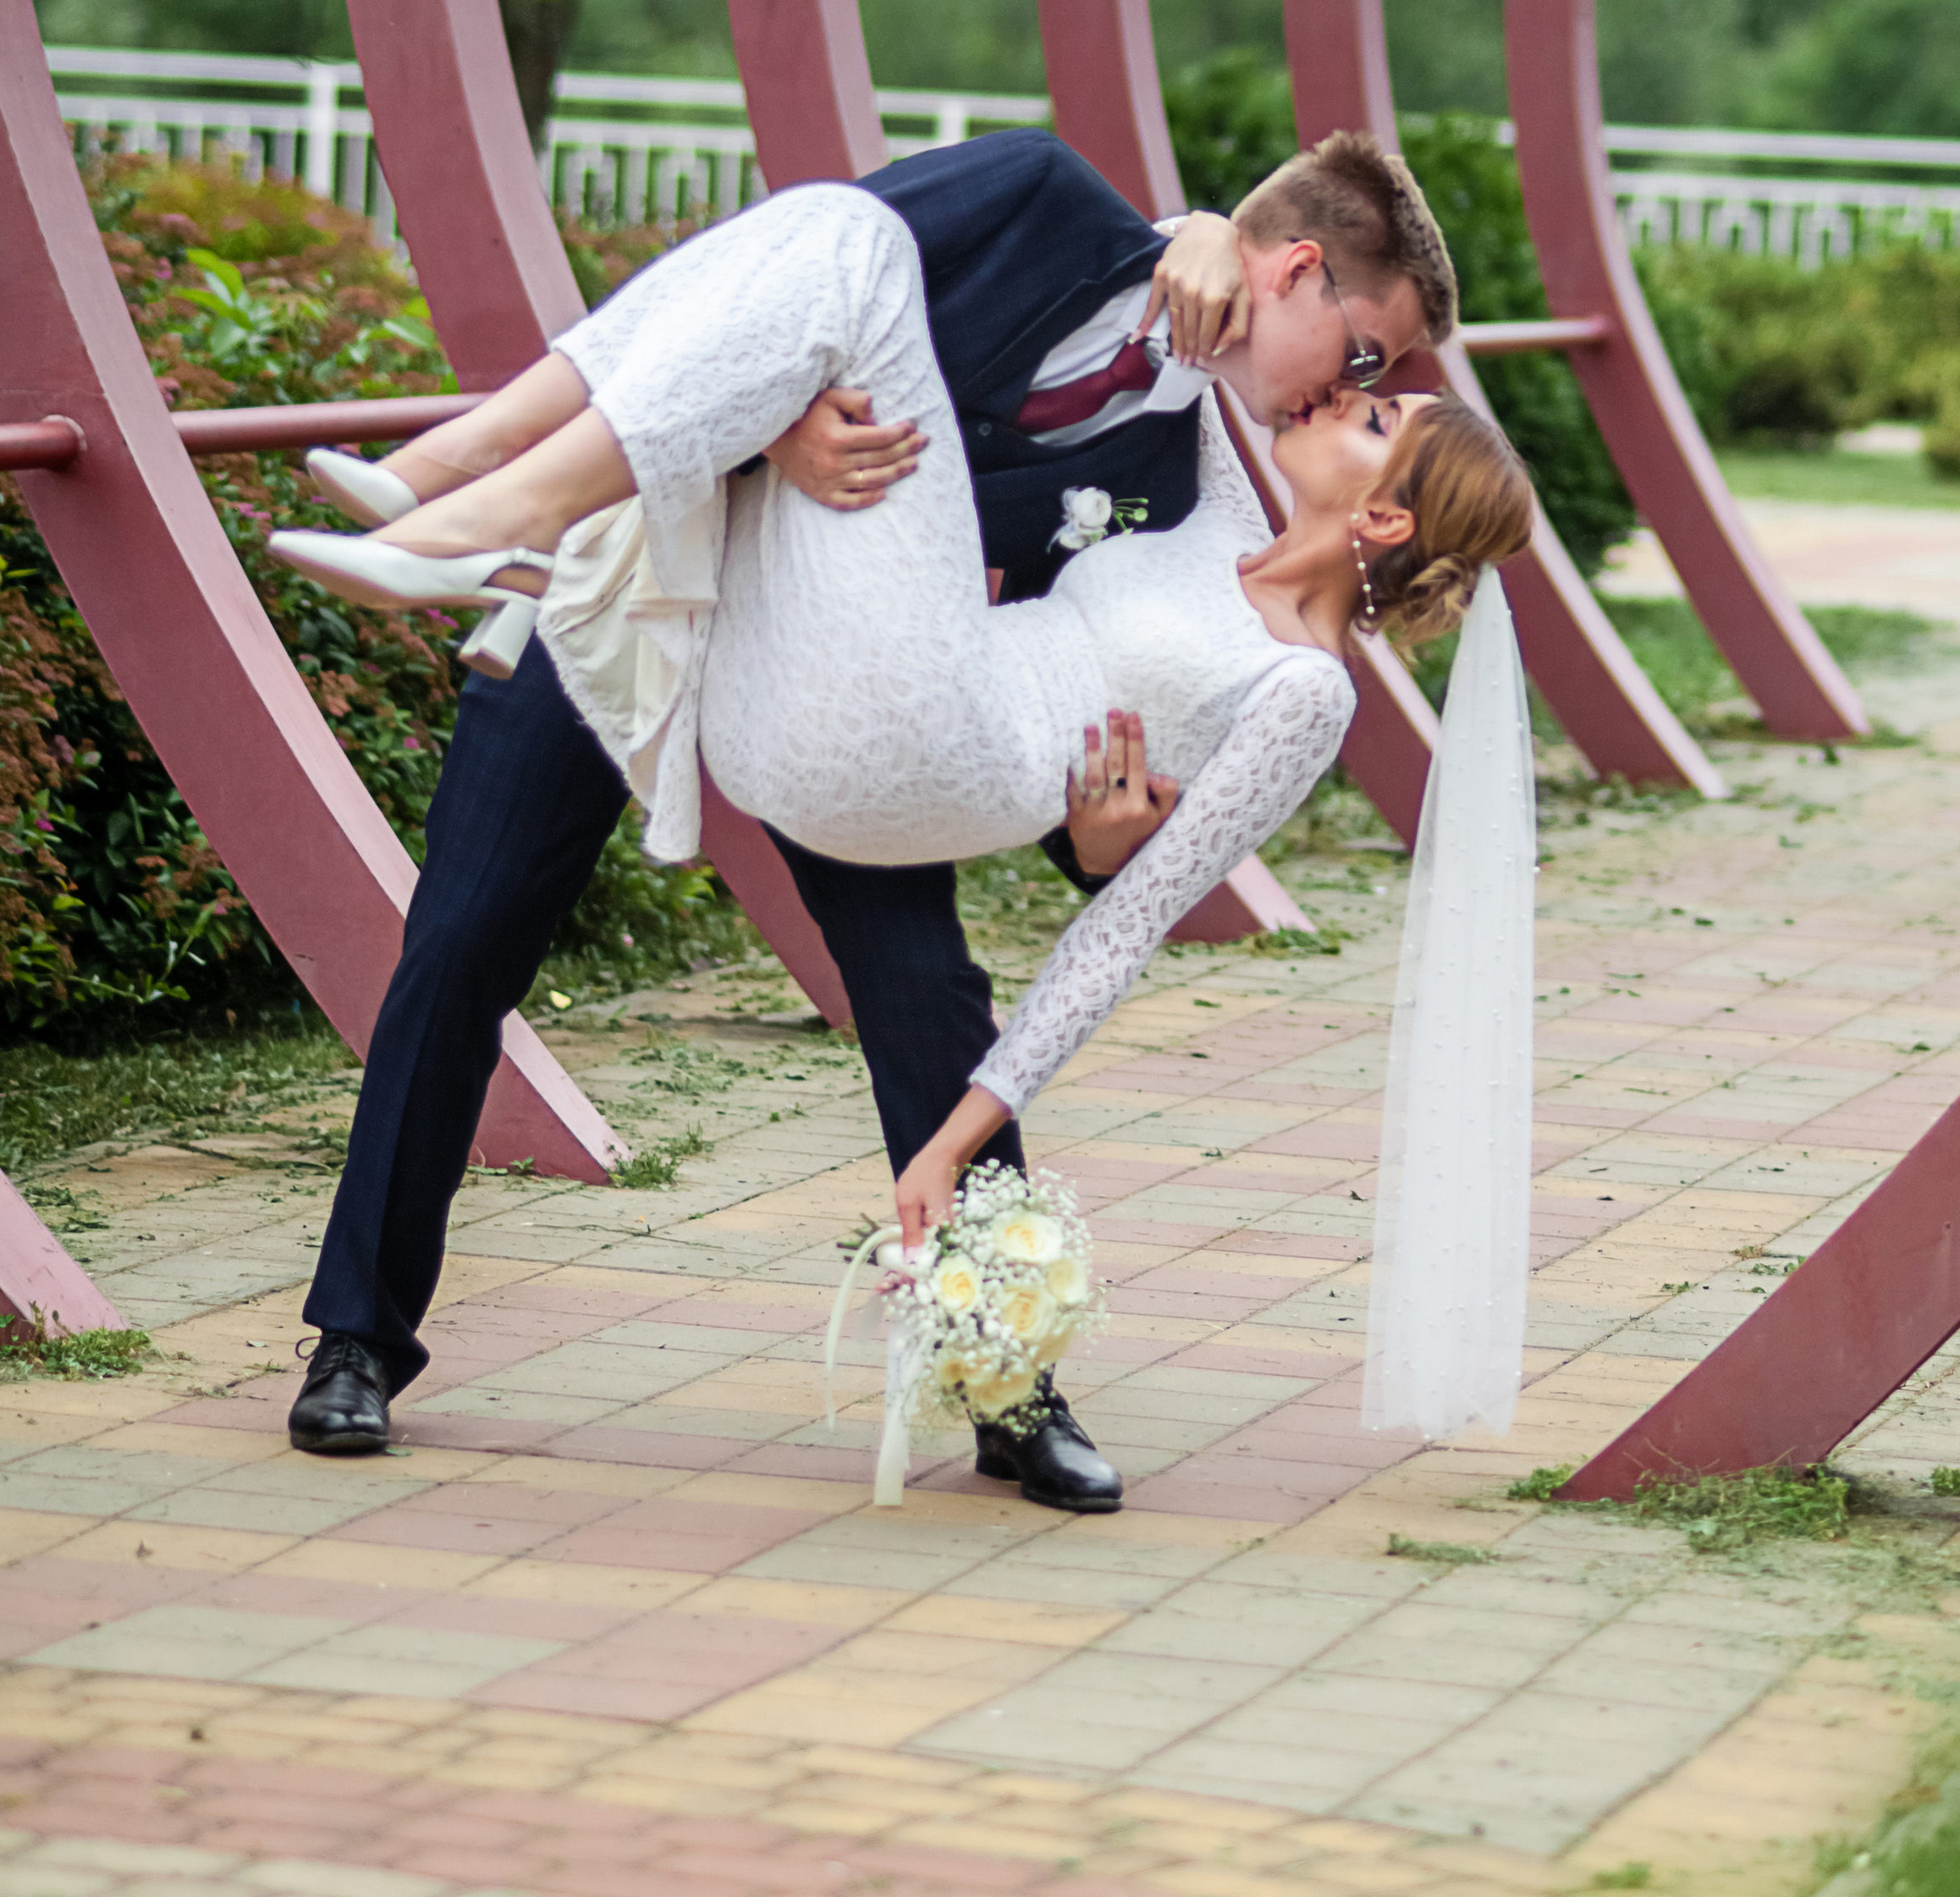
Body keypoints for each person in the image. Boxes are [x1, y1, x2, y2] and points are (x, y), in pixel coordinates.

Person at [278, 128, 1455, 1489]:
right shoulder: (1037, 199)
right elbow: (772, 278)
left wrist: (1106, 841)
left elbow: (1106, 715)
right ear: (1301, 271)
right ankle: (355, 1339)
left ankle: (1011, 1384)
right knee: (465, 937)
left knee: (923, 992)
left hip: (844, 688)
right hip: (647, 573)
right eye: (1368, 356)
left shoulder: (1173, 479)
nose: (1356, 388)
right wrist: (773, 424)